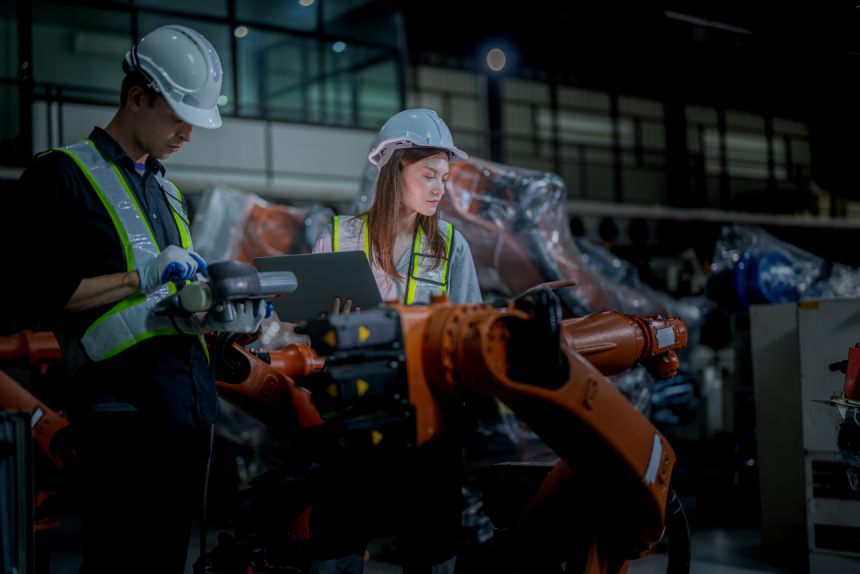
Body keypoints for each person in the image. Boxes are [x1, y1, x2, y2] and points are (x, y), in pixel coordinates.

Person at [1, 25, 267, 573]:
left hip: (188, 409)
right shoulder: (60, 176)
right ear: (137, 97)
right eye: (179, 120)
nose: (188, 137)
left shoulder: (167, 191)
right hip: (121, 414)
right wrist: (138, 276)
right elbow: (33, 295)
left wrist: (224, 313)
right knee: (120, 564)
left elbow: (173, 306)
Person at [308, 109, 481, 574]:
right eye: (428, 174)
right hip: (356, 413)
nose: (440, 187)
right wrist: (329, 326)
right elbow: (310, 336)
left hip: (430, 421)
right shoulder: (341, 237)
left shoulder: (451, 245)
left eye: (444, 176)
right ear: (392, 170)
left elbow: (469, 332)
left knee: (433, 552)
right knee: (335, 548)